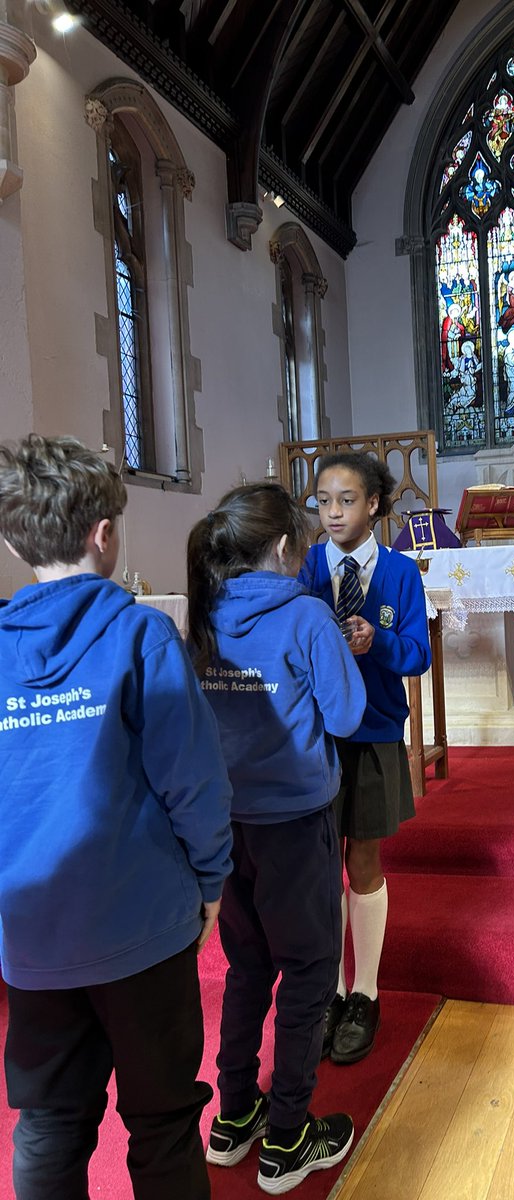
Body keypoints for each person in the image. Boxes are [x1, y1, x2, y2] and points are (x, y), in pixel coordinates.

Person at [0, 433, 233, 1200]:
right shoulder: (140, 634)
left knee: (47, 1124)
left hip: (32, 932)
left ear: (11, 538)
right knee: (163, 1121)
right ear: (106, 536)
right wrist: (210, 878)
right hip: (140, 927)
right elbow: (191, 777)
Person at [186, 482, 366, 1195]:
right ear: (289, 547)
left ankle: (234, 1116)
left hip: (228, 826)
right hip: (295, 822)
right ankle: (289, 1135)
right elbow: (347, 716)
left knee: (249, 965)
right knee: (312, 972)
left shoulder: (204, 613)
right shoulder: (304, 614)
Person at [299, 452, 431, 1066]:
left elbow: (417, 655)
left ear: (374, 504)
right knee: (322, 864)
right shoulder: (307, 567)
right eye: (322, 500)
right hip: (317, 735)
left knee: (363, 860)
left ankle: (366, 993)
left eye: (346, 500)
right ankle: (326, 990)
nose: (332, 512)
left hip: (375, 731)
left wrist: (376, 641)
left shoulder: (401, 574)